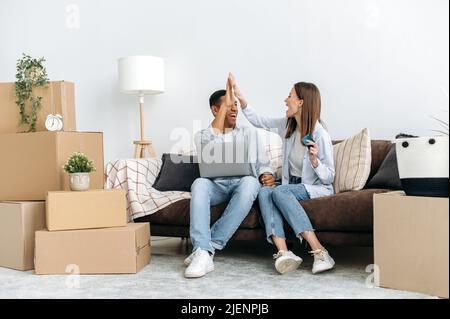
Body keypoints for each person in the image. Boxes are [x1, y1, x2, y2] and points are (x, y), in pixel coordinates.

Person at [230, 73, 336, 275]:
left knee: (280, 192)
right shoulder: (288, 125)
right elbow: (259, 121)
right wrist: (241, 98)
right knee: (265, 192)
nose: (285, 100)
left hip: (315, 187)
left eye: (290, 96)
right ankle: (284, 252)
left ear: (301, 103)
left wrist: (315, 162)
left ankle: (320, 251)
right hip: (290, 185)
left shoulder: (320, 134)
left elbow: (329, 177)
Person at [184, 77, 274, 278]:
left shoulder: (249, 133)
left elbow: (263, 162)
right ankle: (204, 250)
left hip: (242, 183)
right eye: (227, 106)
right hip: (215, 186)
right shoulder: (203, 135)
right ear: (215, 110)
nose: (234, 109)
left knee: (251, 182)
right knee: (198, 183)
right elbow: (210, 141)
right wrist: (225, 105)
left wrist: (266, 173)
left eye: (235, 106)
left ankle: (204, 249)